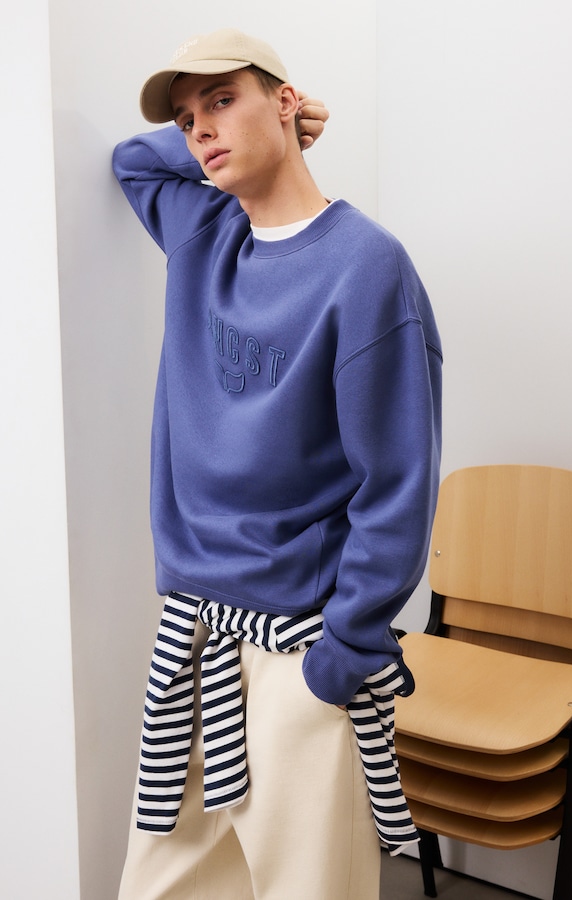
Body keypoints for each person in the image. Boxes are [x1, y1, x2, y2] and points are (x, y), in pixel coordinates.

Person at [112, 26, 442, 900]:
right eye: (187, 118)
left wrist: (340, 656)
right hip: (192, 638)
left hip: (299, 649)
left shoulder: (366, 267)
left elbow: (396, 483)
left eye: (222, 100)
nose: (200, 130)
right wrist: (263, 131)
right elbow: (132, 163)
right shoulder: (204, 235)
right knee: (164, 885)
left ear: (285, 99)